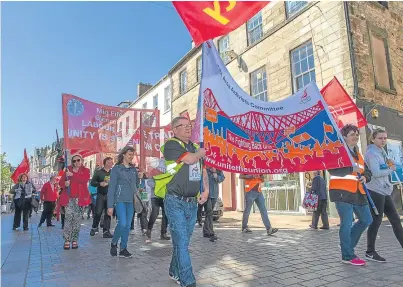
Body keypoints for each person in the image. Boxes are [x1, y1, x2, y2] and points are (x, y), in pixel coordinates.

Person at [159, 116, 209, 287]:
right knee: (181, 243)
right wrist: (200, 154)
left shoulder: (194, 147)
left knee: (183, 242)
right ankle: (188, 282)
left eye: (190, 126)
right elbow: (190, 159)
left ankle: (174, 271)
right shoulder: (171, 145)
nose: (188, 128)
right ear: (175, 129)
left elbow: (202, 171)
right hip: (175, 201)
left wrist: (206, 189)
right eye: (183, 126)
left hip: (192, 203)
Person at [329, 124, 373, 266]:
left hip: (358, 193)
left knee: (366, 219)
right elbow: (332, 170)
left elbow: (367, 171)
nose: (355, 137)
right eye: (352, 134)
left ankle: (346, 244)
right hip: (342, 192)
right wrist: (349, 168)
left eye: (357, 134)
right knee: (347, 223)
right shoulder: (338, 151)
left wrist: (365, 177)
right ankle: (347, 255)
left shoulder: (358, 153)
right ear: (344, 137)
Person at [365, 128, 403, 262]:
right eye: (380, 138)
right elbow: (375, 173)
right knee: (376, 221)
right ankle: (370, 251)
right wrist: (389, 169)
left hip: (385, 190)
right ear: (373, 139)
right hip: (375, 190)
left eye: (385, 138)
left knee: (395, 220)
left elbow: (384, 168)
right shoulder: (371, 153)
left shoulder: (382, 152)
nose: (383, 140)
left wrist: (389, 165)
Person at [107, 146, 139, 258]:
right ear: (124, 155)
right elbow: (111, 188)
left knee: (127, 226)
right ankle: (114, 242)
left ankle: (123, 248)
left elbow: (136, 185)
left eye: (133, 155)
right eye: (130, 154)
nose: (132, 157)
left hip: (130, 200)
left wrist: (138, 194)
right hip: (120, 200)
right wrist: (110, 206)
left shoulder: (133, 169)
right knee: (123, 223)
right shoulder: (116, 169)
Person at [59, 154, 91, 250]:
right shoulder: (67, 170)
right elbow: (61, 182)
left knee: (77, 220)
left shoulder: (86, 171)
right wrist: (65, 183)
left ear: (81, 161)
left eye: (78, 160)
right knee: (68, 219)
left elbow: (84, 180)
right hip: (69, 198)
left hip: (80, 199)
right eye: (74, 161)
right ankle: (67, 240)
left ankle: (75, 240)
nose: (76, 162)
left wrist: (73, 175)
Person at [90, 157, 113, 238]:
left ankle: (106, 231)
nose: (112, 163)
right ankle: (94, 227)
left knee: (108, 213)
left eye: (112, 162)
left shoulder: (113, 172)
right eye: (110, 162)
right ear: (106, 162)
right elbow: (92, 182)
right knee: (98, 212)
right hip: (100, 194)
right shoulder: (98, 172)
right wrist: (100, 183)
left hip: (110, 195)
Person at [203, 167, 225, 242]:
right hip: (206, 194)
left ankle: (205, 231)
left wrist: (215, 173)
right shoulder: (205, 168)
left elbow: (221, 178)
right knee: (209, 211)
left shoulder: (218, 169)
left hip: (214, 193)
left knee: (209, 213)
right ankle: (211, 232)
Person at [145, 178, 170, 242]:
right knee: (155, 213)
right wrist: (159, 184)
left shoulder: (167, 171)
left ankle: (163, 233)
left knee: (166, 214)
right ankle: (149, 229)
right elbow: (149, 182)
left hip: (165, 196)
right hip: (155, 196)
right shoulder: (155, 171)